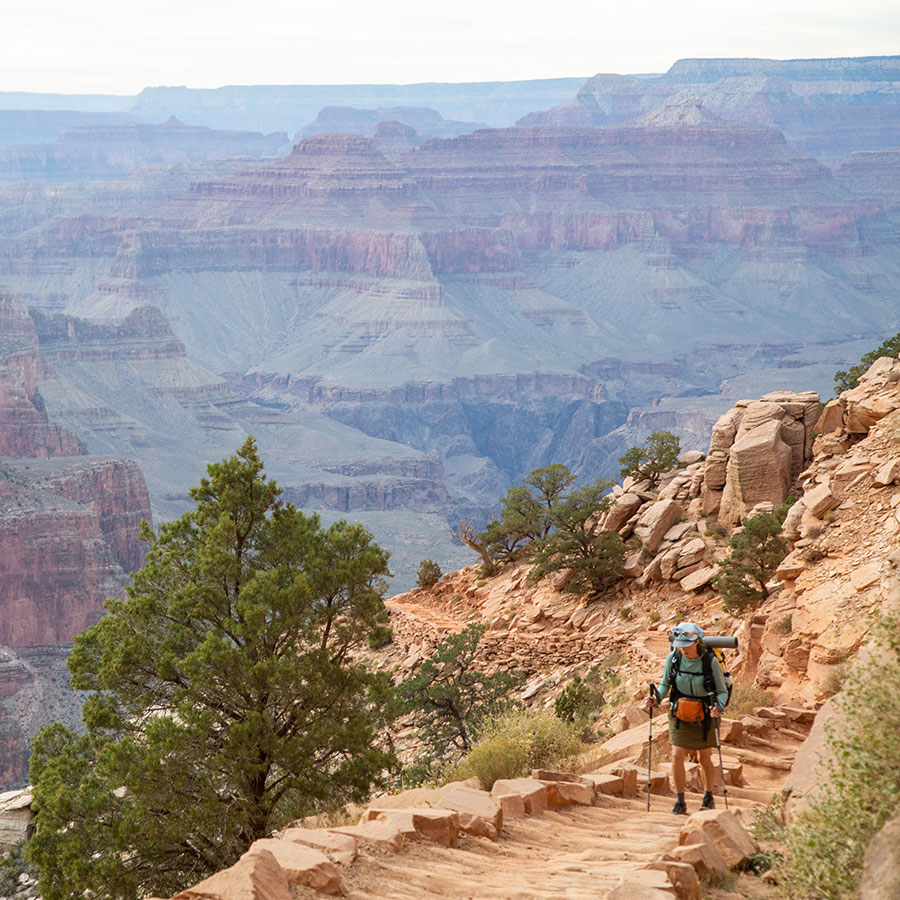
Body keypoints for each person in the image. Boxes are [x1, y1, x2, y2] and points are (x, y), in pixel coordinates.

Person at [647, 622, 729, 814]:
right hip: (680, 712)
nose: (683, 648)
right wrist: (656, 698)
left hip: (706, 715)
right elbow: (665, 684)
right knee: (676, 755)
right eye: (680, 644)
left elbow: (722, 691)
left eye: (686, 644)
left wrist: (719, 707)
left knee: (705, 757)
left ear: (697, 642)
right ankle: (680, 801)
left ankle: (708, 797)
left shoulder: (710, 662)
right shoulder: (673, 659)